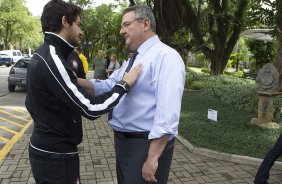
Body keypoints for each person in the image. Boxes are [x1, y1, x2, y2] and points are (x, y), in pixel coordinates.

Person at [25, 0, 141, 183]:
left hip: (52, 152)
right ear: (65, 22)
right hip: (55, 157)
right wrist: (123, 86)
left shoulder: (48, 53)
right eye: (78, 24)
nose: (81, 31)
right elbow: (90, 109)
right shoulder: (52, 58)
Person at [88, 5, 186, 184]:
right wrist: (73, 81)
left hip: (145, 145)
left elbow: (167, 116)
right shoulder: (134, 59)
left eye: (126, 25)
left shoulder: (166, 57)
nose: (121, 31)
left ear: (145, 23)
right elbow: (110, 85)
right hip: (125, 143)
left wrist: (152, 158)